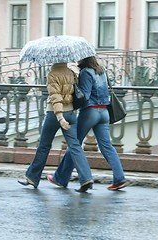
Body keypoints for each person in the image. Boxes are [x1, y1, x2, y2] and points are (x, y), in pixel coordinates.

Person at [47, 56, 127, 191]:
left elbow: (85, 95)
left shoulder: (85, 72)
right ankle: (120, 178)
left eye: (79, 59)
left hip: (91, 112)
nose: (77, 61)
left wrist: (74, 88)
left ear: (84, 59)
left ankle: (60, 178)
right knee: (107, 146)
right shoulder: (101, 70)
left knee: (74, 144)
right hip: (104, 112)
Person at [18, 62, 94, 192]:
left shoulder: (53, 74)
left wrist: (60, 117)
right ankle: (86, 178)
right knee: (75, 146)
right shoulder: (72, 73)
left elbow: (55, 98)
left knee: (44, 146)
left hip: (55, 115)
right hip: (71, 114)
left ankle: (32, 178)